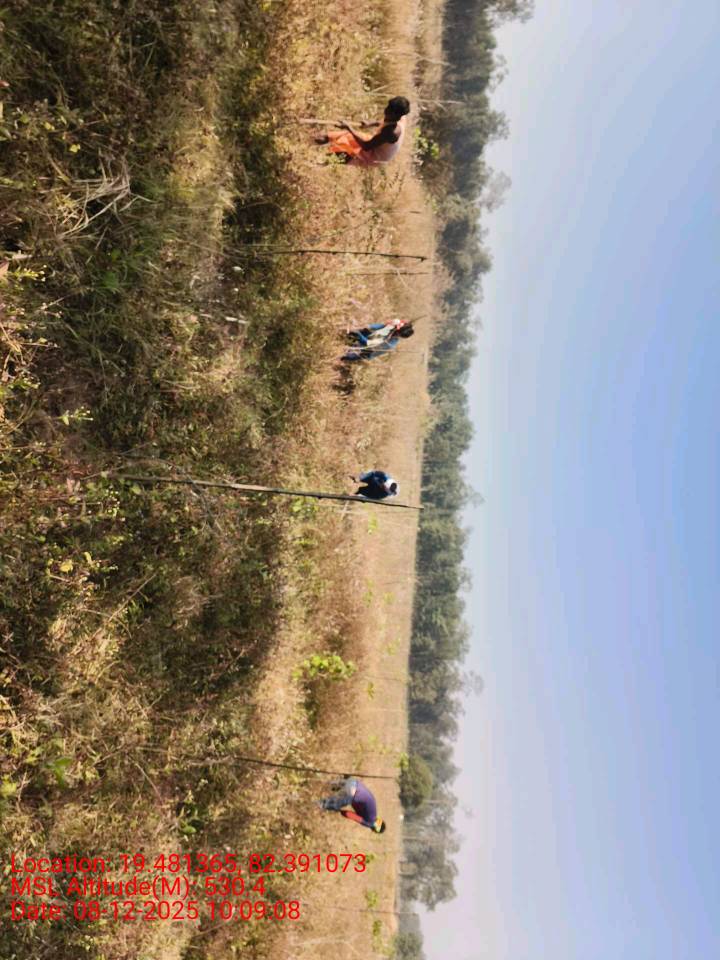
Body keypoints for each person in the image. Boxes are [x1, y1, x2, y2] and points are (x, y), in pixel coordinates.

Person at [316, 96, 410, 167]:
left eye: (389, 110)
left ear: (395, 115)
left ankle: (317, 164)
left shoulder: (390, 133)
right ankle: (314, 139)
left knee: (347, 153)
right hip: (375, 142)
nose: (385, 110)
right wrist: (370, 123)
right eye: (388, 107)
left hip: (376, 155)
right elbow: (385, 121)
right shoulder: (400, 117)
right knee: (341, 136)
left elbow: (366, 146)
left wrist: (349, 128)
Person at [320, 777, 386, 833]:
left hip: (353, 782)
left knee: (326, 785)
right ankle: (316, 805)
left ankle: (321, 782)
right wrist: (340, 811)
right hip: (352, 792)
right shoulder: (370, 823)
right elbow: (349, 814)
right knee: (328, 805)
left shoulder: (373, 813)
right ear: (375, 828)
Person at [343, 320, 415, 362]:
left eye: (396, 332)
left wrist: (357, 333)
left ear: (399, 335)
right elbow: (373, 326)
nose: (393, 330)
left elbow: (367, 343)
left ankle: (347, 356)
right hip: (369, 339)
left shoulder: (389, 344)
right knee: (360, 332)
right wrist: (361, 327)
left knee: (345, 355)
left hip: (367, 351)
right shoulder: (391, 327)